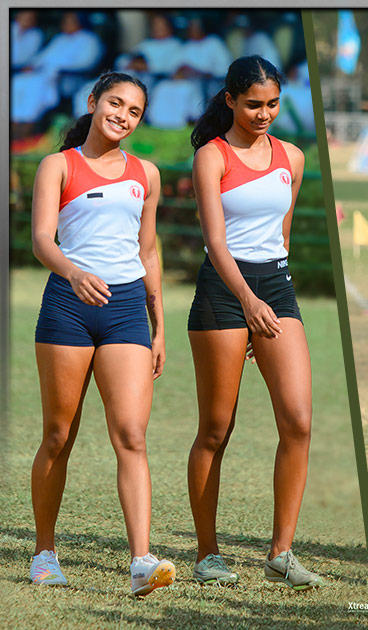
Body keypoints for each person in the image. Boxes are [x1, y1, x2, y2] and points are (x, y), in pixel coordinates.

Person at [28, 72, 176, 597]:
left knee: (132, 435)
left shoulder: (147, 174)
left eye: (134, 111)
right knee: (58, 436)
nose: (122, 115)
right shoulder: (58, 165)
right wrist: (72, 272)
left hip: (127, 312)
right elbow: (41, 239)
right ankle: (45, 552)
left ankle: (141, 561)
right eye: (115, 103)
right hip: (67, 308)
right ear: (93, 103)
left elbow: (149, 250)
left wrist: (159, 326)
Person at [185, 55, 322, 590]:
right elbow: (216, 243)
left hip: (275, 287)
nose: (263, 113)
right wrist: (246, 303)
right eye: (252, 104)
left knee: (299, 419)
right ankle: (207, 554)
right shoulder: (211, 157)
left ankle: (281, 553)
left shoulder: (293, 156)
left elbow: (280, 236)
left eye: (271, 104)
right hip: (224, 290)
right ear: (230, 101)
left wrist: (266, 301)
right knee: (216, 429)